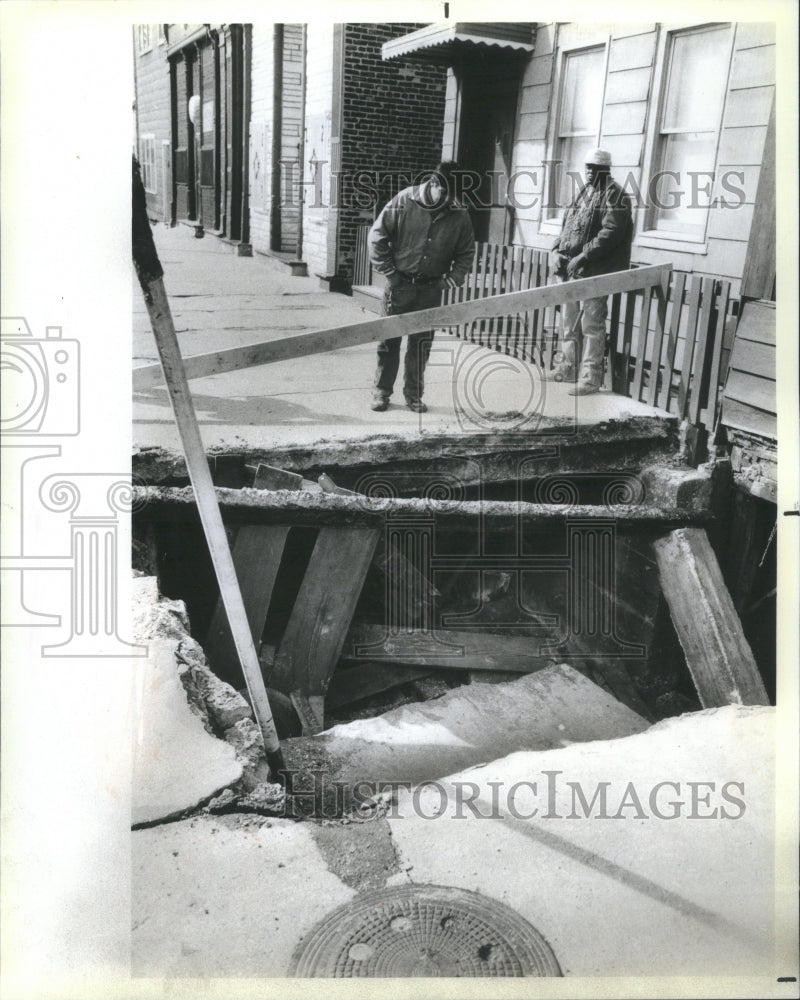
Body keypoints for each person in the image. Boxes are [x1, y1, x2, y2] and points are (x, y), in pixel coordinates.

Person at [367, 162, 475, 412]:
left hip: (430, 290)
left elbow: (466, 253)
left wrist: (450, 280)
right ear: (434, 184)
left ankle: (413, 395)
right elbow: (377, 236)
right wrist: (390, 274)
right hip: (399, 285)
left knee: (421, 343)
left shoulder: (459, 213)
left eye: (455, 197)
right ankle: (382, 391)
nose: (451, 202)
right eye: (447, 194)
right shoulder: (405, 200)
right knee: (389, 341)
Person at [548, 148, 633, 395]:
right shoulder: (584, 192)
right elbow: (567, 224)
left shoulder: (616, 195)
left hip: (597, 271)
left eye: (594, 169)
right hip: (573, 271)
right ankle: (568, 367)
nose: (588, 172)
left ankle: (590, 377)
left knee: (592, 325)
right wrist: (556, 250)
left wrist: (583, 256)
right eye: (587, 167)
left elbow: (610, 234)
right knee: (568, 321)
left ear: (605, 170)